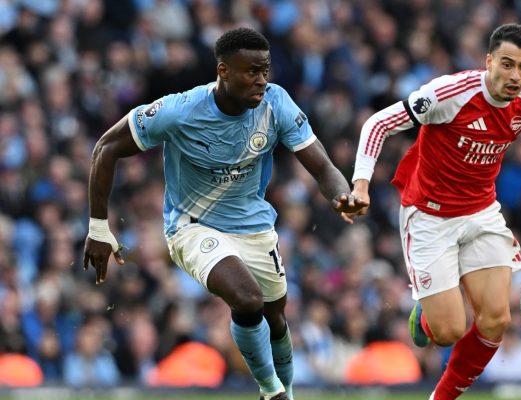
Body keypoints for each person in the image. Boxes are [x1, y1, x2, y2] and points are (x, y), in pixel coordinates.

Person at [83, 27, 366, 400]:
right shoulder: (180, 111)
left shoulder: (276, 103)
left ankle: (287, 391)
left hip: (255, 227)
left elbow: (323, 166)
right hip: (192, 227)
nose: (261, 80)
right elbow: (106, 148)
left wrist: (341, 195)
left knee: (276, 319)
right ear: (224, 71)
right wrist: (98, 227)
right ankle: (271, 392)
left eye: (265, 70)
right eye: (252, 71)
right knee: (247, 299)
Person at [345, 23, 521, 399]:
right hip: (429, 216)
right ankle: (427, 317)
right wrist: (361, 184)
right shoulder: (450, 93)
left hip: (481, 213)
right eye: (508, 64)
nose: (516, 76)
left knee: (496, 320)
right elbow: (378, 123)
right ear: (489, 61)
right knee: (448, 331)